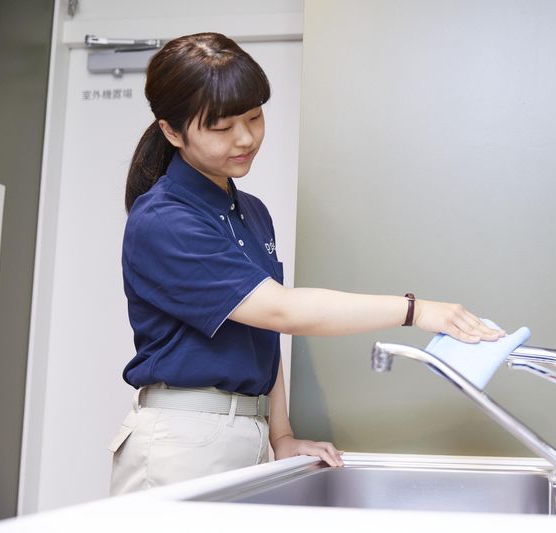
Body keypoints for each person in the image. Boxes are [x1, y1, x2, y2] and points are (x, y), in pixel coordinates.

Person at [108, 32, 504, 496]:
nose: (246, 138)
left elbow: (262, 327)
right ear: (172, 132)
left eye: (254, 117)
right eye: (221, 127)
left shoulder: (251, 212)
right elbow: (283, 311)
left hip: (247, 431)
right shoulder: (164, 220)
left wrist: (281, 436)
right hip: (183, 439)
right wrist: (414, 310)